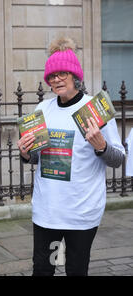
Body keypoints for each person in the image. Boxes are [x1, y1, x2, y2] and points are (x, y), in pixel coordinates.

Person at [17, 37, 125, 276]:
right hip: (47, 211)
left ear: (75, 76)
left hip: (81, 211)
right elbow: (37, 156)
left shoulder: (94, 109)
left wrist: (101, 146)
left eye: (62, 74)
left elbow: (118, 159)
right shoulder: (42, 110)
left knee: (76, 270)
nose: (56, 80)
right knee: (43, 270)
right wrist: (26, 153)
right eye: (52, 76)